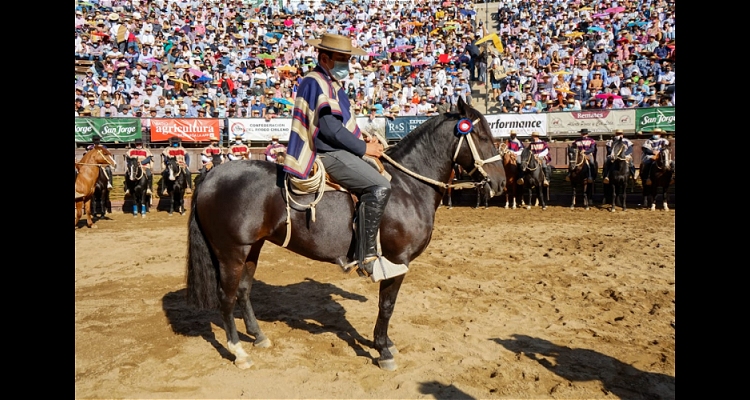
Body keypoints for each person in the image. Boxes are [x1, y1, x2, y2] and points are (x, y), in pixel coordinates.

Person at [282, 33, 406, 281]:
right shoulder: (316, 81)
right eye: (342, 59)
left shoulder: (330, 83)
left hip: (335, 147)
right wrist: (362, 148)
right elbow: (329, 129)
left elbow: (343, 126)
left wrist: (365, 140)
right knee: (380, 186)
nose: (346, 65)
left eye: (348, 59)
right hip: (325, 152)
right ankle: (368, 259)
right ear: (325, 58)